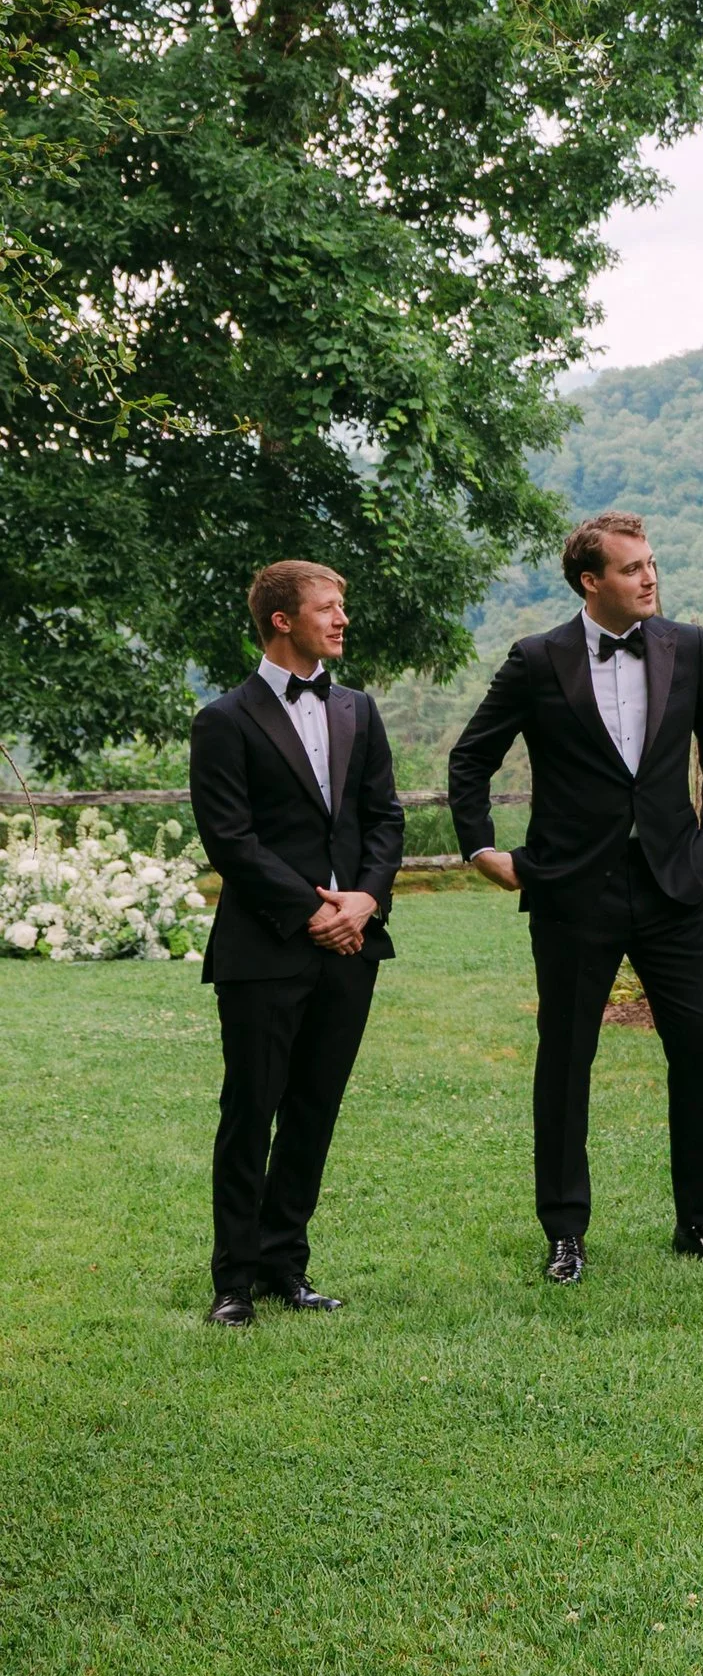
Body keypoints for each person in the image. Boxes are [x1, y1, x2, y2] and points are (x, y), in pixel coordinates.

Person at [449, 510, 703, 1281]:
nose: (649, 577)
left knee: (699, 1050)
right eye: (631, 568)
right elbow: (471, 758)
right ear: (591, 580)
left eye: (651, 563)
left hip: (672, 886)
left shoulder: (688, 648)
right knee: (566, 1057)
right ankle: (565, 1232)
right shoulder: (536, 658)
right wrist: (484, 848)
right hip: (571, 890)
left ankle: (701, 1222)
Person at [189, 562, 404, 1326]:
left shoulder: (358, 710)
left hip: (352, 945)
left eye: (343, 605)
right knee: (252, 1108)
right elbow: (231, 839)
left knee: (315, 1109)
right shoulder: (224, 719)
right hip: (264, 947)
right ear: (282, 619)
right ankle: (233, 1282)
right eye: (328, 607)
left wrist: (365, 900)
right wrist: (309, 910)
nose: (342, 618)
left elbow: (385, 818)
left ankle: (288, 1265)